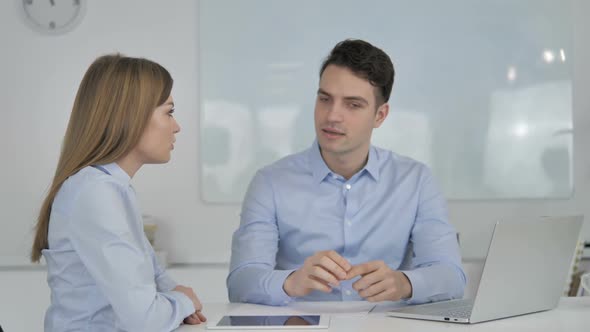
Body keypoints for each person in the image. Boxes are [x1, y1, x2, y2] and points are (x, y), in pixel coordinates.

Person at [227, 39, 465, 306]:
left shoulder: (416, 181)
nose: (332, 116)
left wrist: (405, 283)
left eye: (353, 105)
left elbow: (451, 276)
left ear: (380, 116)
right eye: (325, 99)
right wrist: (290, 282)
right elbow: (241, 280)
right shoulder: (270, 182)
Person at [30, 54, 206, 331]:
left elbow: (150, 272)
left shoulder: (111, 187)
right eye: (169, 112)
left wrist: (178, 297)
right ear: (131, 115)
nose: (177, 126)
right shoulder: (95, 193)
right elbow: (144, 320)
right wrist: (182, 302)